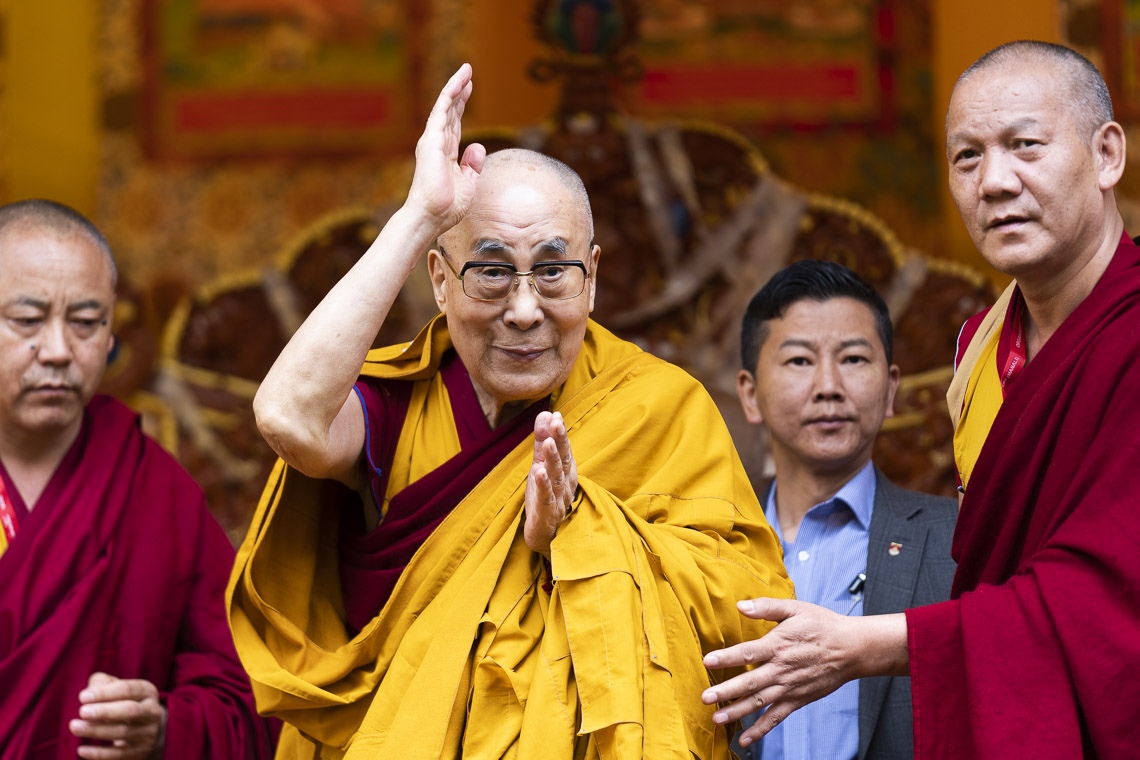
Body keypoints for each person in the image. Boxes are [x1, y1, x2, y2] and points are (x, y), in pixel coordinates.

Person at [227, 63, 794, 759]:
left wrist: (582, 528)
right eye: (491, 271)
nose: (524, 310)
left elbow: (746, 613)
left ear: (593, 279)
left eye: (553, 272)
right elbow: (289, 419)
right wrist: (418, 220)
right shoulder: (405, 404)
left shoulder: (658, 407)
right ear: (439, 278)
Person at [700, 40, 1140, 759]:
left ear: (1107, 154)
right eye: (967, 157)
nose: (994, 182)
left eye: (1025, 145)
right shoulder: (981, 345)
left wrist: (870, 643)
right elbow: (1009, 577)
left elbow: (1108, 602)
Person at [0, 199, 274, 759]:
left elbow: (249, 701)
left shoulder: (154, 489)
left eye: (85, 323)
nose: (57, 352)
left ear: (110, 336)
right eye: (26, 320)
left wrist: (166, 728)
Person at [732, 259, 957, 760]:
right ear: (750, 394)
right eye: (799, 361)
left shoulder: (957, 541)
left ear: (891, 387)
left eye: (854, 359)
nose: (828, 386)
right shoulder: (706, 541)